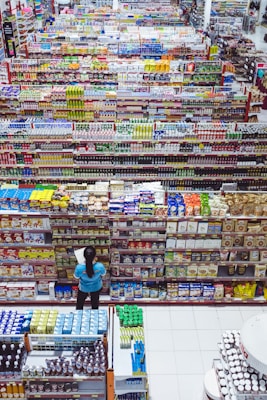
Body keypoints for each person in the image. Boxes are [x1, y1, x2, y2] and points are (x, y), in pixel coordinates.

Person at [74, 246, 106, 310]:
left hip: (83, 288)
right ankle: (95, 315)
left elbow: (76, 277)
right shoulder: (100, 266)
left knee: (80, 304)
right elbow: (103, 274)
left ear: (83, 256)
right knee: (95, 303)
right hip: (96, 287)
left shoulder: (79, 267)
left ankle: (78, 316)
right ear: (95, 256)